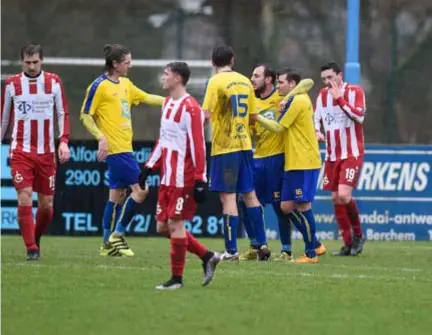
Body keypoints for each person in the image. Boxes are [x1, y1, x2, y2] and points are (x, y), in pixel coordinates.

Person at [139, 62, 221, 289]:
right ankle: (207, 256)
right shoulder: (166, 103)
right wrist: (148, 167)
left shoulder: (191, 108)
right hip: (166, 177)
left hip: (183, 178)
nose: (163, 78)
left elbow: (198, 145)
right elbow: (163, 140)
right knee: (162, 228)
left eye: (166, 74)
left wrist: (200, 179)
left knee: (175, 225)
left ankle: (176, 280)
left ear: (177, 78)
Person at [80, 44, 164, 256]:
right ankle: (117, 235)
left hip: (125, 148)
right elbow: (85, 115)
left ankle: (107, 246)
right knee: (141, 190)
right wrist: (101, 138)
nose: (130, 65)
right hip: (117, 150)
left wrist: (174, 102)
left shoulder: (126, 84)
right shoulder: (98, 86)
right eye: (126, 62)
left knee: (115, 196)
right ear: (115, 64)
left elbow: (145, 97)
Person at [1, 43, 70, 260]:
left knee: (47, 206)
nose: (31, 66)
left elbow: (63, 113)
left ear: (42, 60)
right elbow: (4, 119)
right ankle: (31, 248)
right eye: (27, 62)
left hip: (47, 153)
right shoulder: (12, 84)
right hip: (21, 151)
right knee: (24, 196)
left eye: (35, 62)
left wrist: (64, 141)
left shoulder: (53, 82)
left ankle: (35, 239)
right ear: (22, 61)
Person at [202, 45, 270, 261]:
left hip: (225, 147)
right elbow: (253, 116)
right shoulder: (245, 81)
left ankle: (231, 251)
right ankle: (262, 244)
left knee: (229, 198)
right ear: (233, 59)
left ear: (213, 63)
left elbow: (206, 114)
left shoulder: (215, 81)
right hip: (245, 146)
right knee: (250, 195)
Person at [257, 68, 322, 263]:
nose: (278, 86)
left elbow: (278, 127)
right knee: (286, 206)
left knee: (303, 206)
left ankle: (312, 252)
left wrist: (256, 117)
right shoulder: (294, 98)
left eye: (282, 82)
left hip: (304, 160)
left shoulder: (299, 101)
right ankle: (315, 243)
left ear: (292, 84)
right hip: (292, 161)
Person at [238, 64, 292, 261]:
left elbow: (303, 88)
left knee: (279, 205)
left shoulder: (281, 97)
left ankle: (286, 250)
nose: (252, 79)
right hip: (257, 159)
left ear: (269, 79)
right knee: (245, 201)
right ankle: (256, 245)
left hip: (277, 158)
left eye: (256, 76)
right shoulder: (250, 101)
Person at [314, 62, 366, 256]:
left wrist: (340, 100)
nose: (328, 82)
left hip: (351, 153)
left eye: (330, 77)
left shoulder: (355, 91)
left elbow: (360, 117)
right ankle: (348, 243)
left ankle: (359, 235)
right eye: (324, 79)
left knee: (344, 195)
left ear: (340, 75)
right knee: (336, 198)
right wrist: (317, 132)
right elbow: (316, 118)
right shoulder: (322, 95)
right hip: (332, 155)